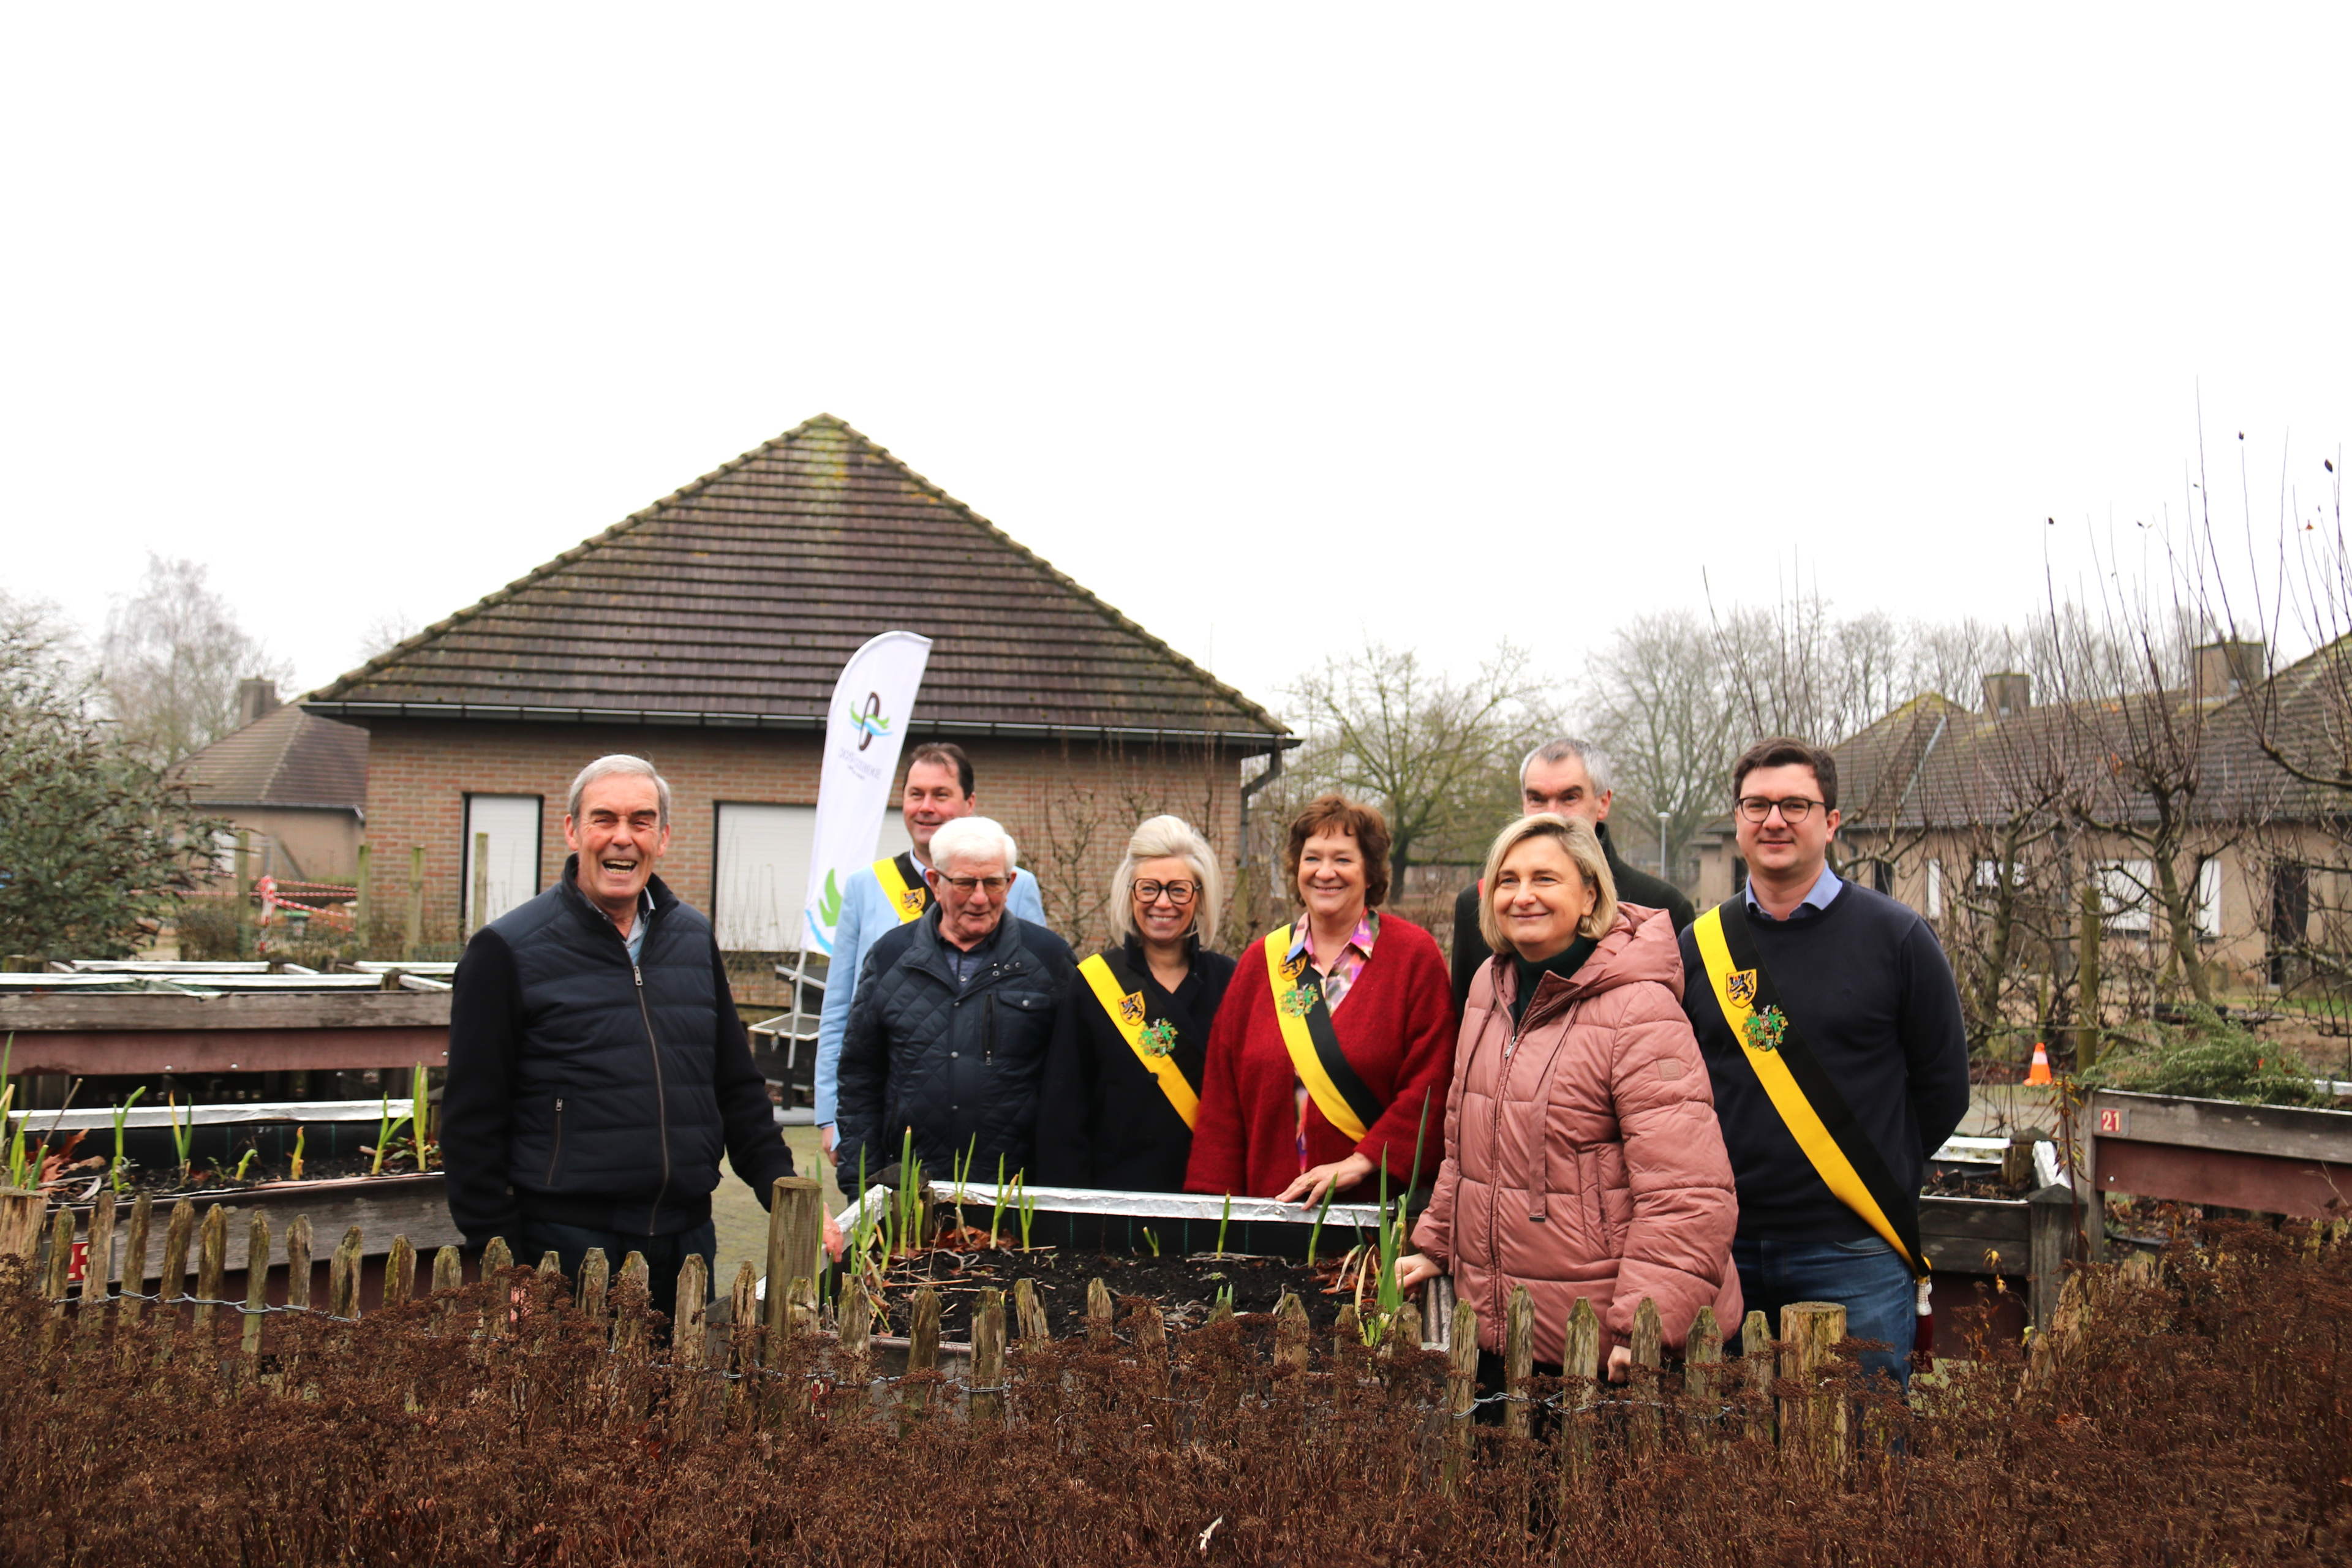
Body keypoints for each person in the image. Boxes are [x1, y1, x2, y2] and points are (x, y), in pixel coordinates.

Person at [442, 755, 795, 1325]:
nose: (622, 839)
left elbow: (736, 1087)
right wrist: (503, 1260)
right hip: (567, 1245)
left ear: (664, 837)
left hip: (686, 1241)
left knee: (676, 1406)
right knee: (570, 1413)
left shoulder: (692, 937)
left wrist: (787, 1195)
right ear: (572, 830)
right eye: (604, 819)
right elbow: (470, 1122)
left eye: (641, 821)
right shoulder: (507, 951)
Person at [1397, 814, 1740, 1390]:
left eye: (1545, 879)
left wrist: (1644, 1324)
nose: (1522, 896)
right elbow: (1466, 1143)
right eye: (1507, 880)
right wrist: (1436, 1242)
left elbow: (1688, 1192)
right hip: (1502, 1333)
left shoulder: (1639, 1008)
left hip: (1599, 1345)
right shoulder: (1491, 984)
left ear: (1590, 894)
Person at [1678, 736, 1970, 1391]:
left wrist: (1870, 1165)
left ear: (1831, 822)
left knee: (1861, 1463)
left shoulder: (1898, 938)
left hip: (1854, 1250)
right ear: (1737, 818)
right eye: (1756, 804)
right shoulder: (1699, 947)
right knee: (1733, 1461)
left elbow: (1944, 1089)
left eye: (1795, 805)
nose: (1773, 820)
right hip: (1725, 1249)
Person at [1183, 795, 1456, 1205]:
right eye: (1313, 858)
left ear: (1370, 872)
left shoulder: (1413, 957)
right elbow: (1223, 1104)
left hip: (1373, 1217)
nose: (1325, 873)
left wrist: (1365, 1161)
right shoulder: (1261, 963)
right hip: (1269, 1216)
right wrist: (1211, 1211)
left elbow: (1434, 1086)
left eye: (1343, 859)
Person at [815, 742, 1044, 1164]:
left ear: (970, 803)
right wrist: (831, 1115)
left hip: (993, 1128)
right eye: (915, 794)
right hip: (891, 1120)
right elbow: (839, 1010)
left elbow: (1042, 1002)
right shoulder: (866, 886)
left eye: (941, 795)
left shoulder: (1017, 885)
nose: (926, 808)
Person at [833, 816, 1077, 1185]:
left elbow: (1073, 1079)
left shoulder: (1049, 959)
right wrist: (860, 1184)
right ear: (935, 883)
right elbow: (859, 1076)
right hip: (909, 1186)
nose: (980, 898)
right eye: (964, 883)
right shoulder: (890, 957)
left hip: (1018, 1191)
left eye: (993, 883)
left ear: (1010, 884)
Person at [1035, 816, 1236, 1191]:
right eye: (1148, 889)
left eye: (1178, 890)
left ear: (1201, 896)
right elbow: (1063, 1112)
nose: (1163, 903)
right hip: (1112, 1202)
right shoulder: (1094, 983)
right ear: (1130, 894)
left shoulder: (1231, 982)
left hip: (1211, 1198)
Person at [1451, 738, 1695, 1015]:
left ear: (1603, 802)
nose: (1551, 813)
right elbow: (1465, 1027)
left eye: (1569, 798)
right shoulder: (1479, 903)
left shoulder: (1660, 908)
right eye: (1537, 799)